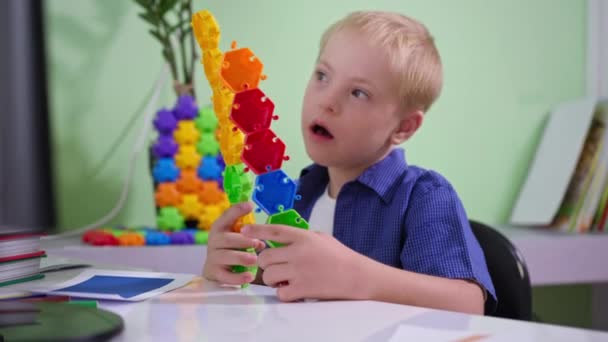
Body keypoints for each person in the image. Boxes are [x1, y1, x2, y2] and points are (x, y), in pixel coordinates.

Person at [202, 10, 496, 315]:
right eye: (322, 76)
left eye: (358, 92)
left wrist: (358, 277)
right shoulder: (302, 193)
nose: (327, 100)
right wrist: (233, 270)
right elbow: (274, 290)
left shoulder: (424, 195)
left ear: (403, 127)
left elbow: (467, 304)